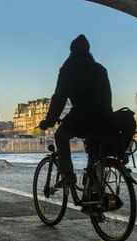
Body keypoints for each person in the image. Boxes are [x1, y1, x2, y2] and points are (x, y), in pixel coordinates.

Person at [39, 34, 113, 188]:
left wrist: (49, 121)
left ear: (71, 51)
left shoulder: (69, 68)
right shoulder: (100, 69)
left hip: (83, 116)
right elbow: (107, 96)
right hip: (105, 117)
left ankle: (68, 175)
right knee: (95, 151)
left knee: (60, 136)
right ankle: (95, 188)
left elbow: (59, 97)